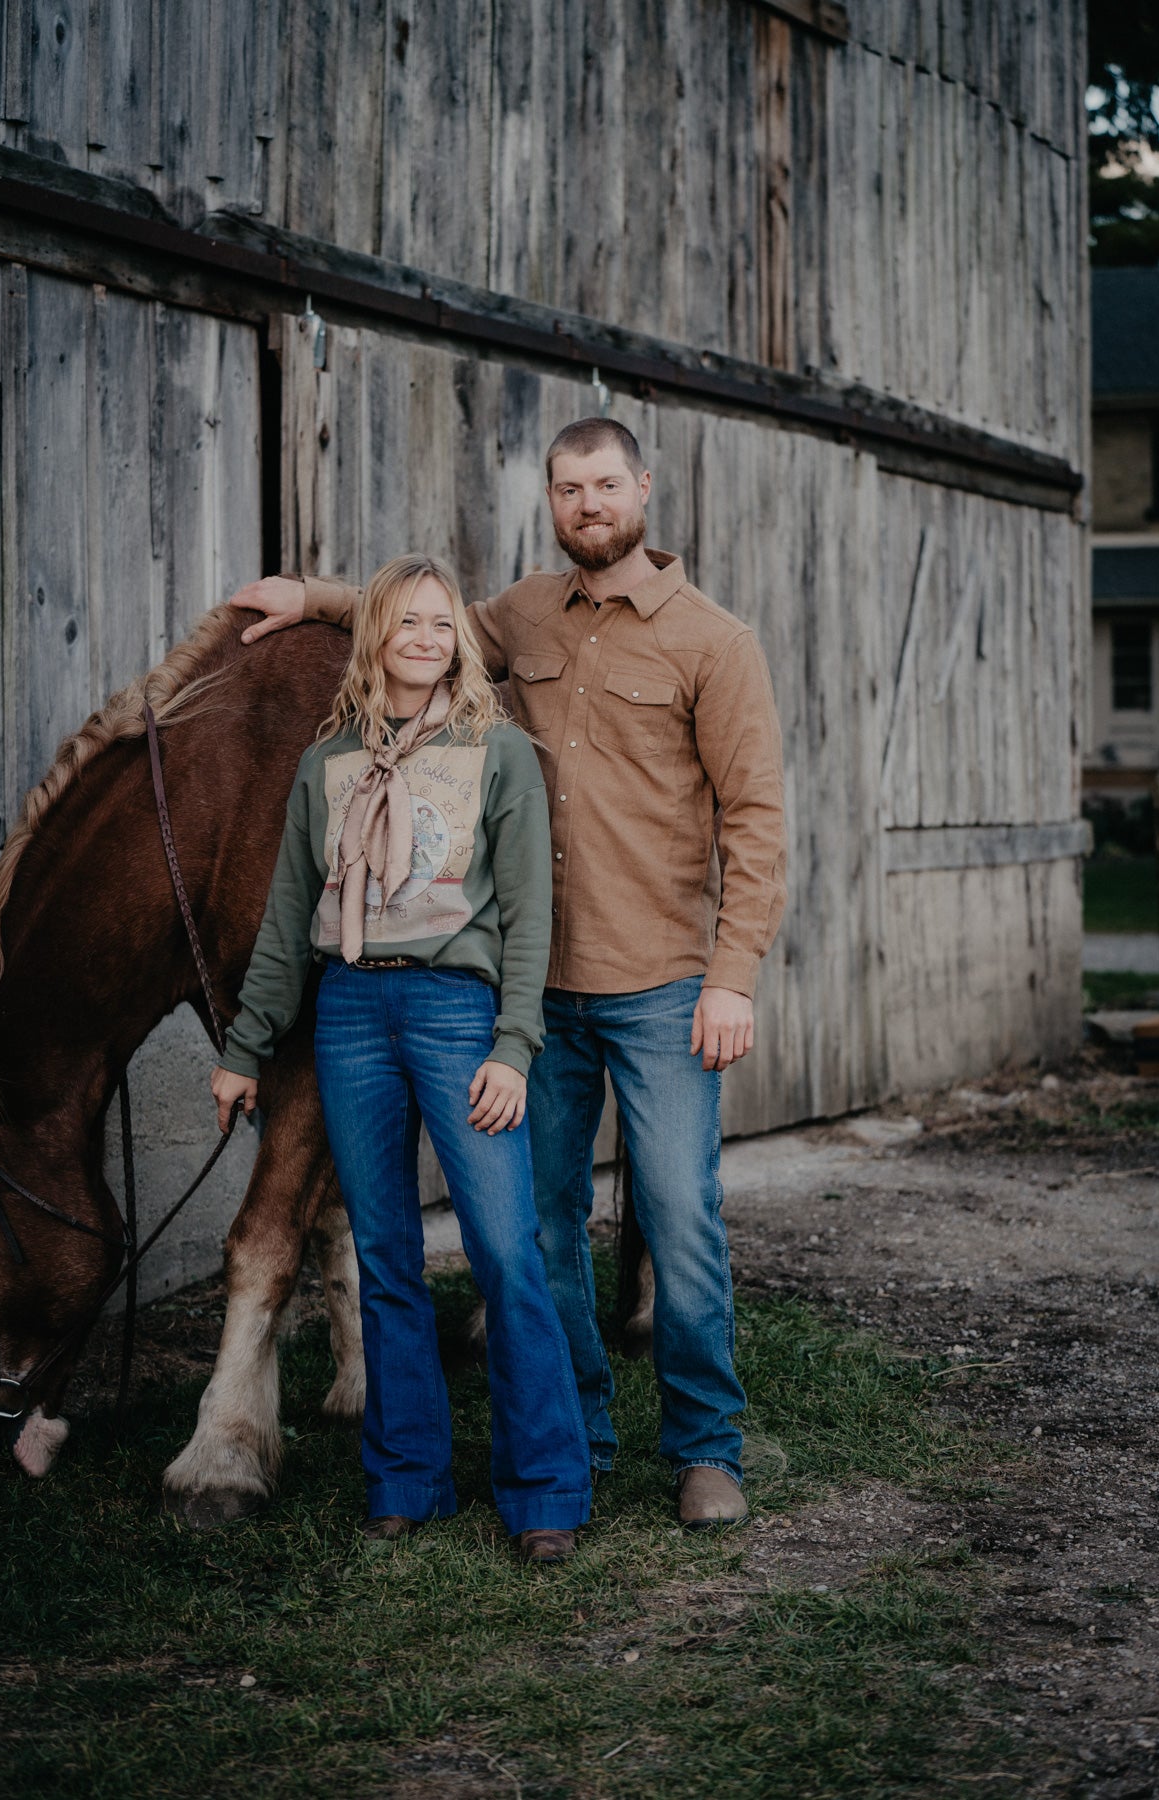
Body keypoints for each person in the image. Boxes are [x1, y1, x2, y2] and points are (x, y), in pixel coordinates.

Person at [229, 419, 787, 1531]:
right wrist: (312, 596)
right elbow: (415, 625)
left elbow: (759, 820)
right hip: (524, 1000)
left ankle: (705, 1447)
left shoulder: (715, 643)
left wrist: (734, 975)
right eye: (569, 488)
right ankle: (575, 1434)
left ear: (643, 490)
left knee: (679, 1217)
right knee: (538, 1228)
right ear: (552, 498)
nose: (588, 505)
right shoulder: (521, 617)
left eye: (607, 486)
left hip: (660, 981)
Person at [211, 554, 591, 1565]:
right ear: (375, 634)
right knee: (386, 1257)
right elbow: (290, 920)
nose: (425, 639)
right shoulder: (326, 763)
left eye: (440, 625)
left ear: (459, 642)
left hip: (455, 1013)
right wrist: (247, 1049)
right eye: (405, 623)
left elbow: (528, 916)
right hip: (348, 1015)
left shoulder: (497, 754)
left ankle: (546, 1485)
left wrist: (514, 1046)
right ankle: (408, 1477)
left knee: (506, 1253)